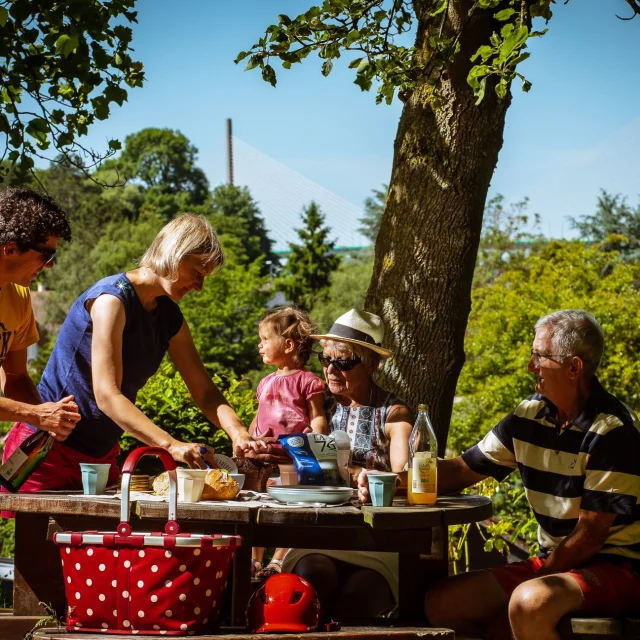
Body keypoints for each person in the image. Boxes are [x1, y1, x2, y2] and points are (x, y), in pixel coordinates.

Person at [358, 309, 640, 640]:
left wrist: (537, 579)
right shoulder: (527, 416)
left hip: (618, 568)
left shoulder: (613, 432)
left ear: (574, 368)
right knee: (442, 604)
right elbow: (463, 469)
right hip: (554, 564)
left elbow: (590, 536)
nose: (529, 367)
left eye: (539, 357)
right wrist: (395, 483)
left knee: (528, 603)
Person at [2, 214, 260, 494]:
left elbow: (206, 393)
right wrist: (171, 445)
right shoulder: (111, 300)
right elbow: (107, 396)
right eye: (197, 273)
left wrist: (238, 432)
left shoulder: (170, 318)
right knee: (40, 538)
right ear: (174, 254)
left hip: (100, 457)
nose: (199, 286)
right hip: (45, 451)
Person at [283, 309, 413, 619]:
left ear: (372, 364)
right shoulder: (319, 407)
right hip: (320, 533)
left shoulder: (394, 414)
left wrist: (357, 473)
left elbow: (404, 476)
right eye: (325, 360)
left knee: (359, 597)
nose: (330, 370)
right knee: (311, 579)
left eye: (343, 363)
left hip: (375, 539)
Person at [249, 306, 327, 579]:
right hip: (262, 457)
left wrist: (315, 445)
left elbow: (317, 417)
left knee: (293, 512)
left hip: (294, 458)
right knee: (258, 508)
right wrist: (248, 441)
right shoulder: (265, 382)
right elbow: (258, 417)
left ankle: (279, 559)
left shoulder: (308, 381)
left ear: (289, 344)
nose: (260, 345)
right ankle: (254, 559)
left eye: (265, 339)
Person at [0, 187, 80, 441]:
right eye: (46, 255)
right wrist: (37, 414)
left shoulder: (18, 297)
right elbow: (34, 413)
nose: (51, 265)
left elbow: (16, 377)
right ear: (10, 249)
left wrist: (49, 421)